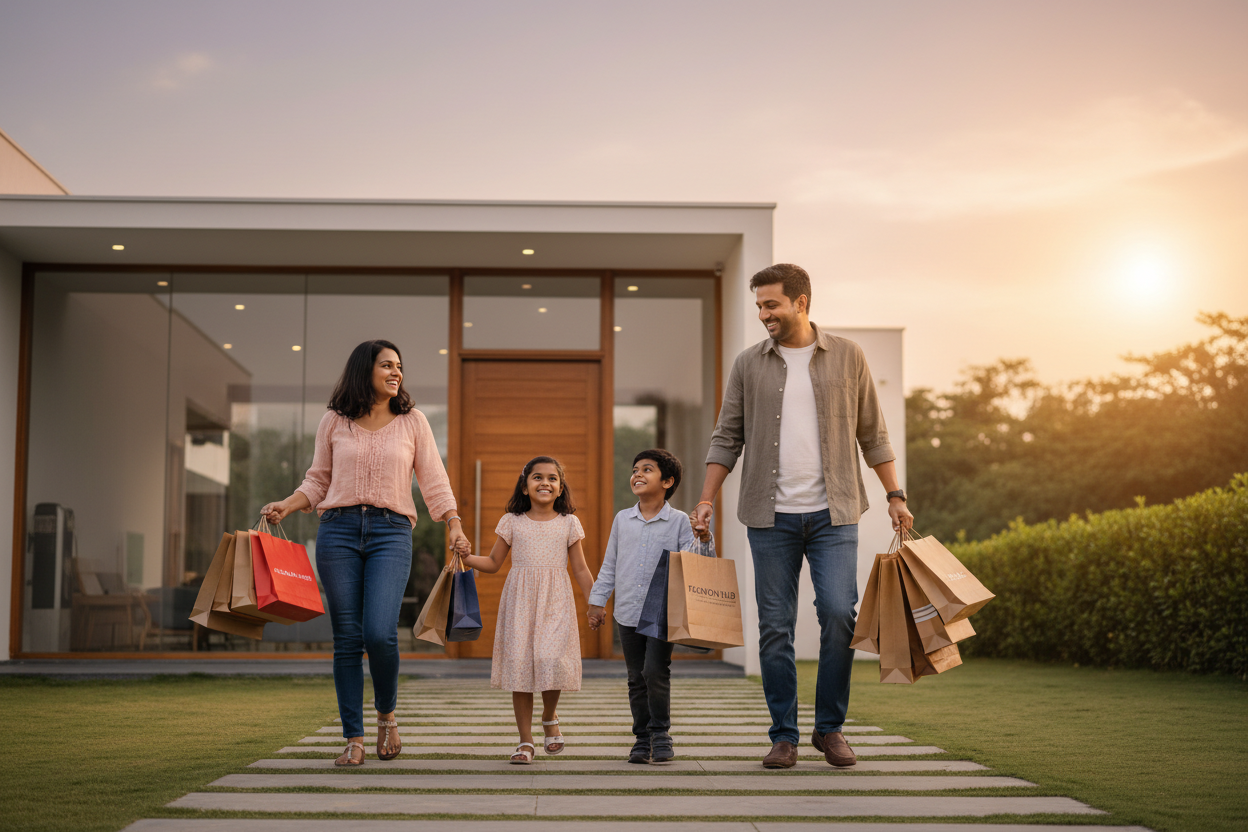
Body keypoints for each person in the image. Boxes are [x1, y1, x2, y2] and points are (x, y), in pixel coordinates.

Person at [691, 263, 915, 770]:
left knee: (839, 614)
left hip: (835, 514)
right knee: (775, 626)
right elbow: (727, 436)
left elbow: (873, 434)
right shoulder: (749, 363)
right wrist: (706, 499)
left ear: (801, 301)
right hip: (770, 519)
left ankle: (830, 729)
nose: (764, 314)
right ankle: (784, 735)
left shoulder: (848, 356)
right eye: (759, 306)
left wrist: (894, 495)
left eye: (771, 304)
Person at [262, 339, 471, 768]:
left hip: (390, 532)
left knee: (380, 633)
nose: (396, 373)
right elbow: (318, 481)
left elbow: (434, 478)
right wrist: (288, 503)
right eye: (387, 366)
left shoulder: (412, 421)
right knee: (348, 640)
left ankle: (387, 716)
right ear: (365, 370)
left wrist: (453, 522)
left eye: (399, 367)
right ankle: (353, 738)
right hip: (337, 532)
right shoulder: (334, 421)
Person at [460, 455, 596, 765]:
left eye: (552, 478)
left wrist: (596, 603)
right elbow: (494, 564)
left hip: (555, 602)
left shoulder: (569, 523)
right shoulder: (511, 522)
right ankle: (525, 741)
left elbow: (581, 570)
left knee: (550, 660)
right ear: (524, 487)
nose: (545, 483)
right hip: (520, 602)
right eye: (537, 477)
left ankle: (549, 716)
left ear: (560, 489)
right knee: (521, 669)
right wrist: (467, 558)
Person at [587, 449, 705, 765]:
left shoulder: (680, 521)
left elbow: (695, 564)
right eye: (635, 468)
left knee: (655, 671)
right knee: (635, 677)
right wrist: (597, 601)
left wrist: (702, 538)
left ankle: (661, 733)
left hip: (662, 612)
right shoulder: (622, 519)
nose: (637, 474)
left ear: (667, 481)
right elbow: (610, 563)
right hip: (626, 610)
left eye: (647, 469)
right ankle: (642, 738)